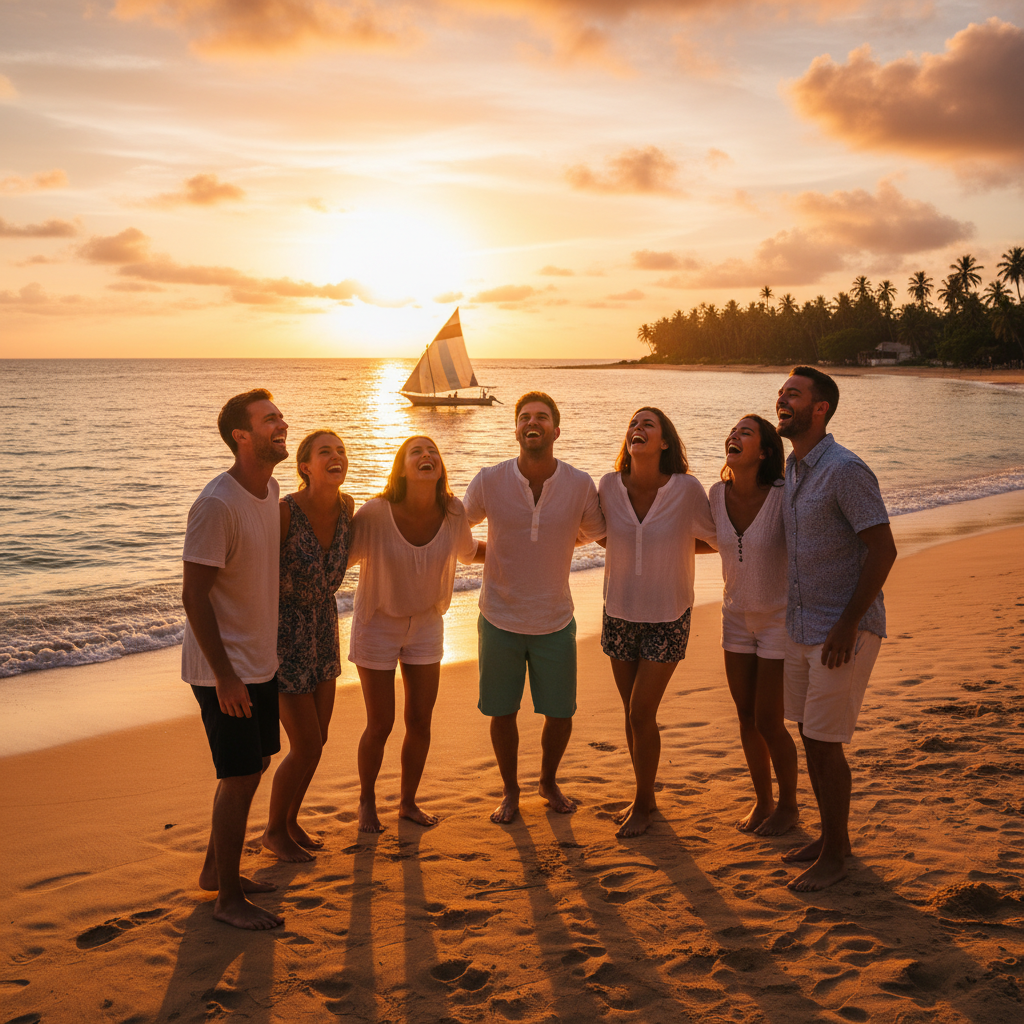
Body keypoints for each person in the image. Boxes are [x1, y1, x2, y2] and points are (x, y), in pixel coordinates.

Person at [776, 366, 896, 891]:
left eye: (793, 394)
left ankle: (835, 857)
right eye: (781, 393)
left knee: (825, 742)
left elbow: (883, 549)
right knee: (810, 734)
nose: (782, 400)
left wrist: (848, 623)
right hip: (802, 624)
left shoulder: (845, 469)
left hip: (843, 629)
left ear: (819, 408)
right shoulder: (793, 468)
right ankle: (832, 840)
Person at [464, 392, 606, 824]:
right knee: (501, 711)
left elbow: (597, 532)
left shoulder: (580, 484)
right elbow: (454, 528)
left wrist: (560, 540)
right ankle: (510, 791)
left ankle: (547, 781)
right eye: (524, 417)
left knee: (560, 713)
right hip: (498, 617)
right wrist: (481, 553)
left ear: (555, 430)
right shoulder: (489, 480)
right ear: (515, 430)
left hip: (555, 619)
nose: (532, 422)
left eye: (542, 417)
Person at [180, 388, 288, 930]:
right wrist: (224, 677)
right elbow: (193, 596)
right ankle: (227, 898)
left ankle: (215, 871)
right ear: (241, 436)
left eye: (281, 416)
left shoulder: (270, 491)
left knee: (255, 765)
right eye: (270, 420)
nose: (282, 424)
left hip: (258, 659)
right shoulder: (217, 504)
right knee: (240, 774)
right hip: (224, 669)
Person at [348, 436, 484, 833]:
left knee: (420, 721)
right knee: (380, 724)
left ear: (440, 468)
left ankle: (407, 802)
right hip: (377, 624)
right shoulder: (375, 513)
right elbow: (338, 558)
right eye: (416, 452)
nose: (427, 456)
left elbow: (469, 552)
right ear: (401, 469)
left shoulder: (453, 511)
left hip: (426, 624)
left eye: (433, 452)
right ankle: (367, 801)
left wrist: (531, 553)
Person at [598, 407, 718, 837]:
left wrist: (674, 548)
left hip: (668, 614)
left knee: (640, 712)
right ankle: (644, 796)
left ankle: (644, 805)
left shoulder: (686, 490)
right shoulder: (608, 485)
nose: (638, 428)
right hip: (619, 611)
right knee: (631, 714)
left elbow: (717, 538)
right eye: (633, 423)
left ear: (664, 442)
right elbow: (600, 532)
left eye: (648, 424)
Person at [261, 429, 354, 862]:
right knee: (306, 744)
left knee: (320, 737)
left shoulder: (348, 507)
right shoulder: (284, 512)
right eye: (325, 452)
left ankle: (290, 819)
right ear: (305, 466)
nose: (336, 456)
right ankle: (273, 831)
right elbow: (256, 573)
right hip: (285, 635)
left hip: (324, 629)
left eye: (341, 451)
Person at [709, 414, 799, 836]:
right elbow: (698, 536)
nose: (734, 435)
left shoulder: (783, 494)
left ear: (763, 452)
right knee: (746, 716)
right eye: (733, 431)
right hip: (734, 617)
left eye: (745, 432)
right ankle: (764, 801)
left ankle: (789, 806)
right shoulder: (715, 495)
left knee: (768, 720)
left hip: (779, 618)